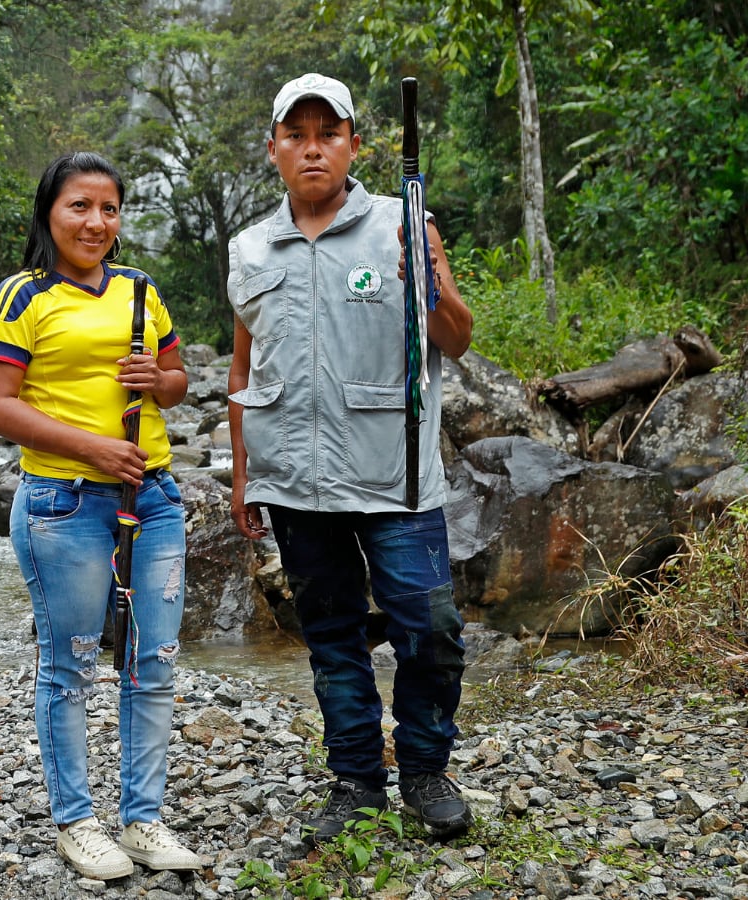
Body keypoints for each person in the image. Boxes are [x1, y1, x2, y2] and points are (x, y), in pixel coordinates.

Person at [225, 73, 476, 846]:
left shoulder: (404, 223)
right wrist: (244, 475)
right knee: (332, 638)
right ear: (273, 150)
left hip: (394, 475)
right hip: (295, 481)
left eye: (326, 133)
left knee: (429, 629)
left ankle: (427, 769)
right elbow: (244, 371)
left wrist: (427, 281)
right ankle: (357, 780)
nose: (311, 148)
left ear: (353, 146)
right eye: (294, 135)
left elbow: (458, 338)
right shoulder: (249, 247)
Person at [0, 151, 205, 880]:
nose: (96, 222)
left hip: (154, 498)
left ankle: (142, 819)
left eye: (109, 209)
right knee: (68, 666)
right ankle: (76, 821)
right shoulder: (22, 296)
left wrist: (158, 380)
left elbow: (177, 384)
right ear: (49, 212)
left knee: (153, 662)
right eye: (80, 206)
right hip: (63, 502)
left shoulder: (140, 290)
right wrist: (94, 450)